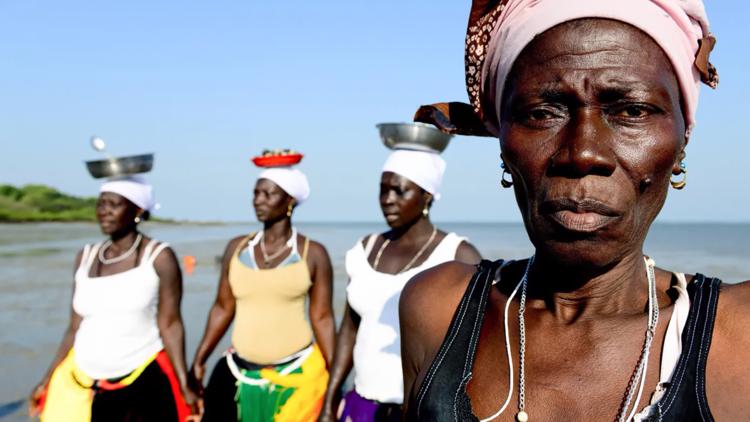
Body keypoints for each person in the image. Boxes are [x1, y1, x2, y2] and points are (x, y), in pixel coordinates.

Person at [402, 0, 750, 420]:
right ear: (503, 141)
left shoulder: (738, 339)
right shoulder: (438, 308)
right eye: (542, 112)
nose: (582, 152)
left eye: (632, 110)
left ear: (681, 142)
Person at [319, 149, 481, 422]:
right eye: (382, 191)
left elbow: (478, 346)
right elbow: (349, 329)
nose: (387, 200)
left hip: (421, 412)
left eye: (399, 191)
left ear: (426, 195)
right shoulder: (364, 250)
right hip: (362, 404)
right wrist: (330, 398)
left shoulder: (457, 256)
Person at [29, 175, 197, 421]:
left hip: (141, 379)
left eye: (114, 204)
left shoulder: (159, 257)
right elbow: (74, 327)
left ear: (137, 210)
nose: (104, 212)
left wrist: (185, 384)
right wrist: (46, 380)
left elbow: (170, 324)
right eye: (100, 204)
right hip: (84, 380)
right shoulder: (85, 257)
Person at [191, 159, 335, 421]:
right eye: (256, 193)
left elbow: (322, 318)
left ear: (289, 200)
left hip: (296, 377)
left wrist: (335, 378)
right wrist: (200, 358)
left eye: (268, 193)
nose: (258, 200)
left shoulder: (312, 254)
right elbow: (223, 307)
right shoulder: (237, 248)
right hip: (238, 372)